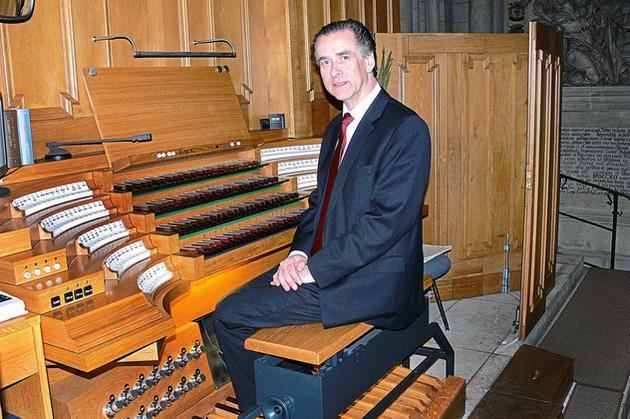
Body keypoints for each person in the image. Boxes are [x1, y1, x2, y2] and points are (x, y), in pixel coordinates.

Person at [212, 18, 431, 411]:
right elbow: (321, 204)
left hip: (371, 283)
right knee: (246, 297)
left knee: (228, 316)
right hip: (333, 266)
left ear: (370, 60)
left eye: (343, 57)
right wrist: (298, 254)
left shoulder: (405, 128)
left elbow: (386, 224)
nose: (333, 71)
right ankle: (292, 393)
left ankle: (264, 409)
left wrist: (314, 269)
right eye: (324, 62)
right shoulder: (337, 129)